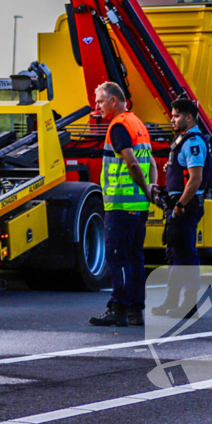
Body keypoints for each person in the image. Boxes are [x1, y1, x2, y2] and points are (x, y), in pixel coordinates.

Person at [89, 82, 157, 328]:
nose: (97, 106)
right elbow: (151, 163)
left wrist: (146, 186)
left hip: (120, 205)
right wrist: (150, 189)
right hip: (139, 206)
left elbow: (132, 163)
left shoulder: (118, 126)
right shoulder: (138, 124)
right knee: (135, 258)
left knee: (117, 258)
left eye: (100, 101)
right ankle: (135, 312)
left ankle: (118, 308)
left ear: (113, 101)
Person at [151, 98, 211, 319]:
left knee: (185, 254)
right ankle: (171, 300)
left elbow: (195, 180)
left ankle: (189, 304)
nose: (172, 119)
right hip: (177, 206)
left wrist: (179, 206)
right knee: (173, 253)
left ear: (188, 117)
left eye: (176, 115)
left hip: (185, 206)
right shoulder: (182, 140)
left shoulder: (194, 142)